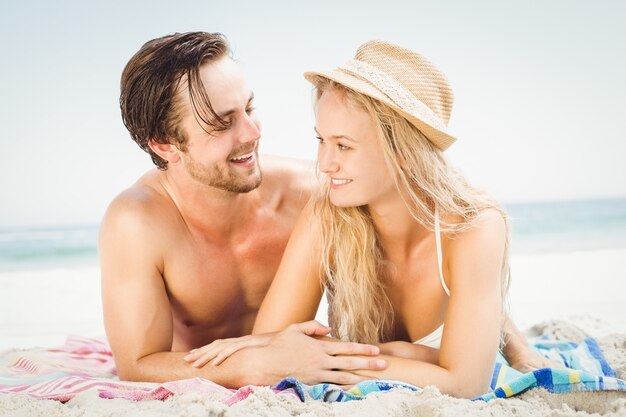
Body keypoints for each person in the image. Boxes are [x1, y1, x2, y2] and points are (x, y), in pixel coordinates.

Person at [101, 31, 553, 387]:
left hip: (323, 352)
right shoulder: (138, 224)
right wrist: (255, 364)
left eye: (251, 107)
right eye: (222, 123)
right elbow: (139, 365)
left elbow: (453, 246)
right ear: (164, 145)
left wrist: (509, 342)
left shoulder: (316, 191)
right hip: (236, 362)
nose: (253, 132)